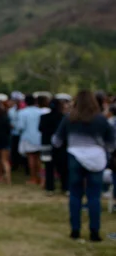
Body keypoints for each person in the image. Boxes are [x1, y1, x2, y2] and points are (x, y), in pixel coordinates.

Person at [54, 90, 115, 242]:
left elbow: (56, 141)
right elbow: (112, 143)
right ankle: (95, 232)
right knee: (94, 196)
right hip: (96, 159)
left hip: (75, 157)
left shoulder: (69, 119)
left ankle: (75, 230)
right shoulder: (101, 120)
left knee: (75, 194)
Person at [39, 99, 68, 195]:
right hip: (61, 146)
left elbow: (40, 129)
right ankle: (65, 187)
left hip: (47, 145)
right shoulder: (63, 118)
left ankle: (50, 188)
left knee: (49, 167)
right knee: (63, 167)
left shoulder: (44, 117)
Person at [17, 95, 44, 185]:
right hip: (40, 137)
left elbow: (21, 127)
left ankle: (33, 178)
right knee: (39, 159)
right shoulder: (41, 111)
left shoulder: (22, 113)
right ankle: (41, 178)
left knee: (31, 158)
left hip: (28, 138)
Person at [8, 91, 27, 174]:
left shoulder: (24, 110)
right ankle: (15, 165)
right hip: (14, 133)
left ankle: (24, 165)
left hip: (23, 134)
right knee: (14, 150)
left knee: (24, 151)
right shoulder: (11, 111)